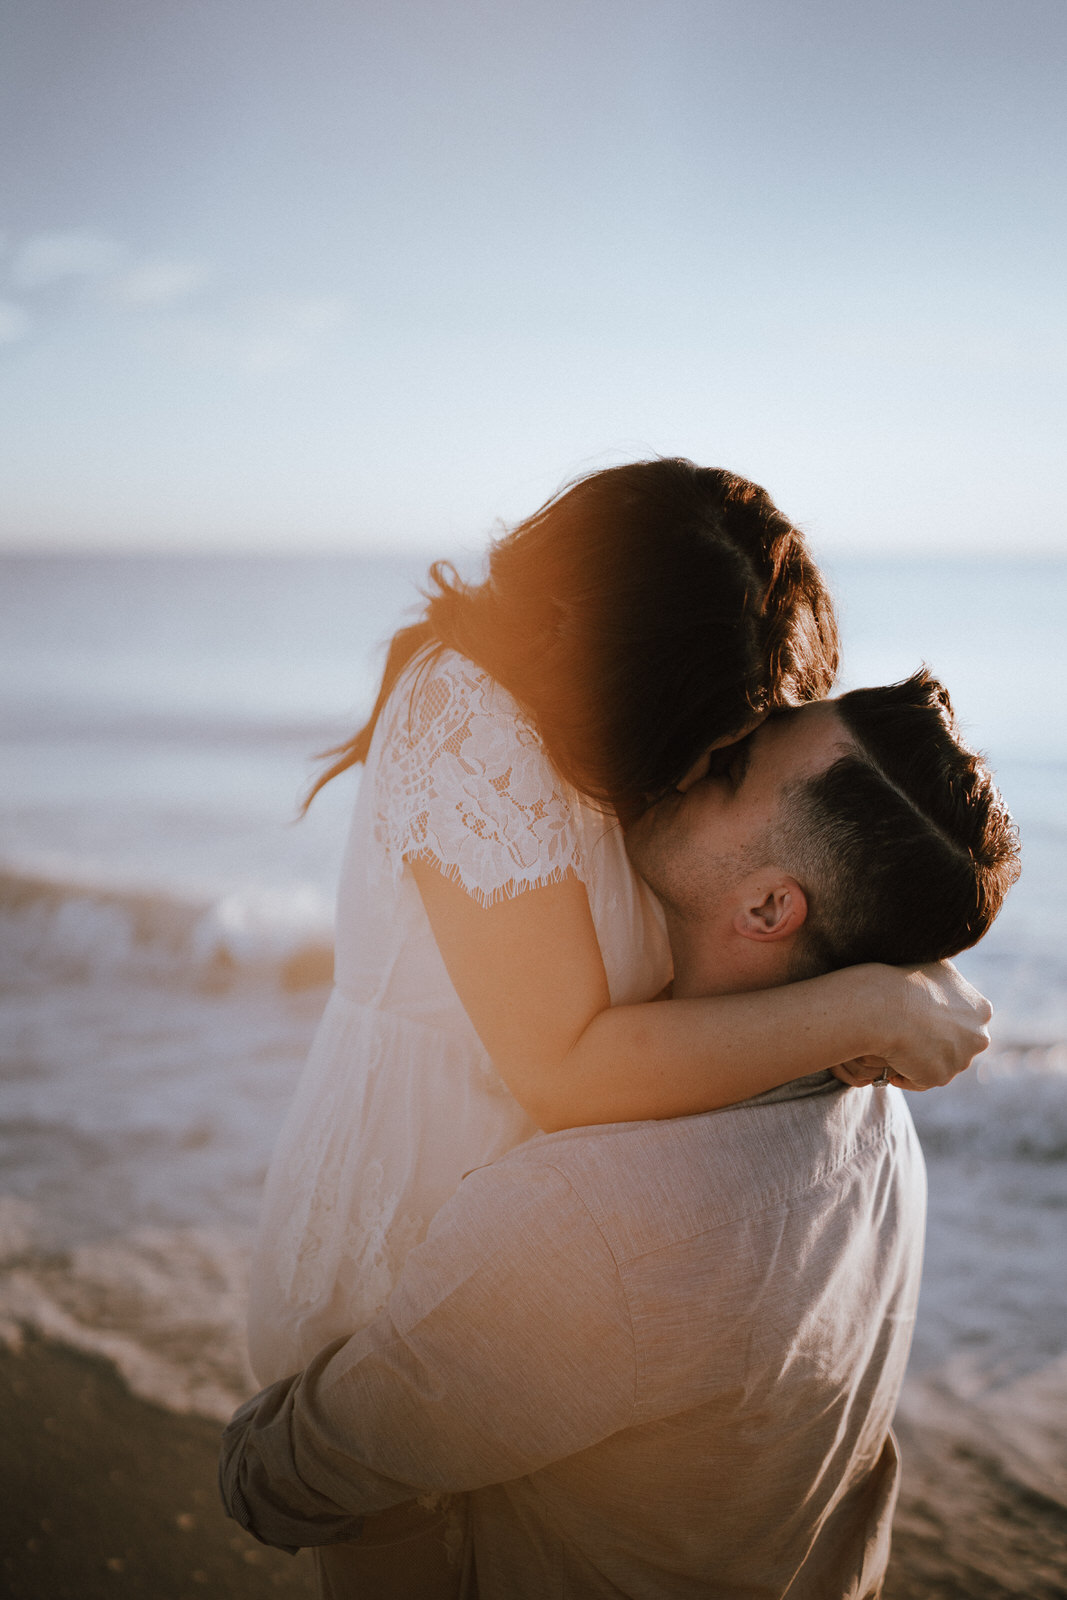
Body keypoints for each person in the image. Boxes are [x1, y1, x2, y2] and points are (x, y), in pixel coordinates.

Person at [245, 460, 992, 1584]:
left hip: (568, 1230)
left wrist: (891, 951)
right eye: (717, 739)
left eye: (739, 738)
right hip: (416, 1208)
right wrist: (861, 1001)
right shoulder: (472, 725)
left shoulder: (637, 720)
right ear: (626, 674)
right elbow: (562, 1064)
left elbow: (797, 869)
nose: (699, 768)